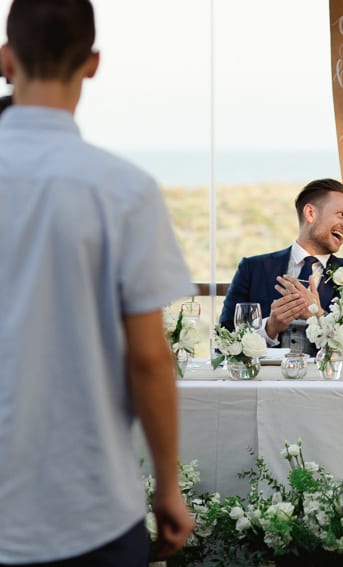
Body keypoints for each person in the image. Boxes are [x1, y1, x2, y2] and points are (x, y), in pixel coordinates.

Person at [0, 0, 196, 565]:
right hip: (89, 509)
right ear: (93, 64)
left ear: (7, 60)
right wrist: (168, 486)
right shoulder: (124, 189)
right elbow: (149, 359)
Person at [220, 178, 343, 356]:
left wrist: (318, 316)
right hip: (267, 374)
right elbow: (224, 341)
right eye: (341, 214)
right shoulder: (252, 269)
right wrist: (269, 328)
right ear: (310, 213)